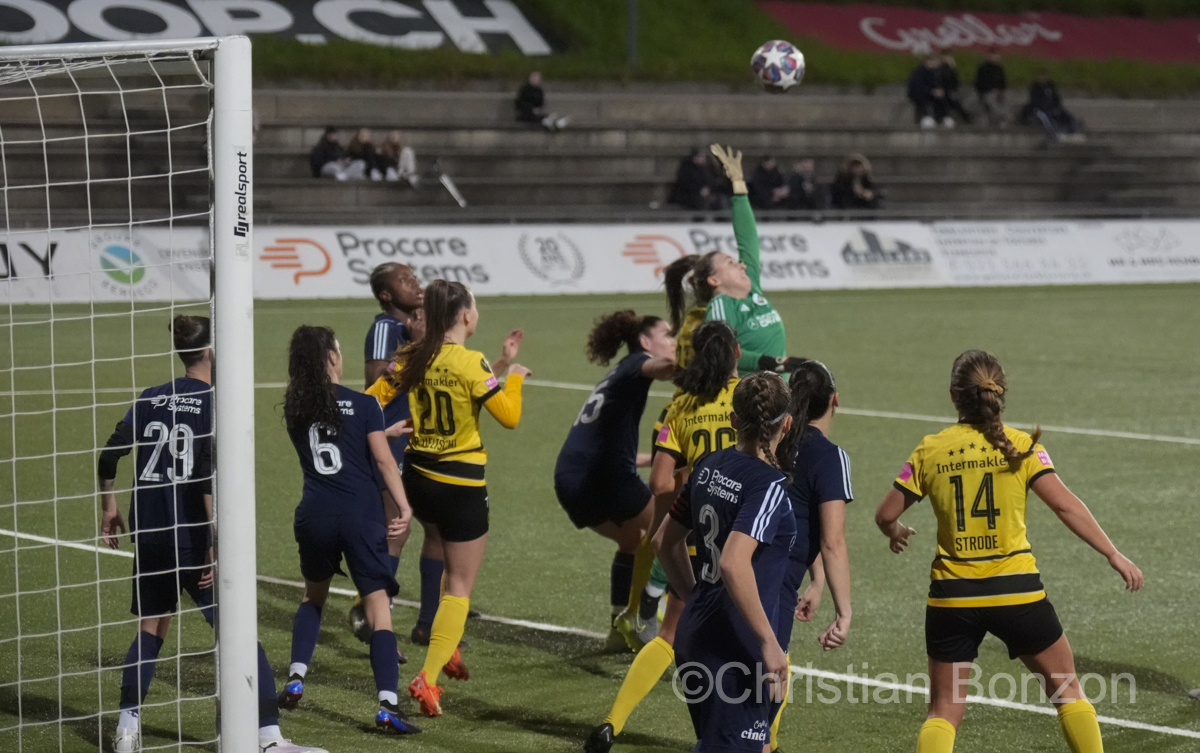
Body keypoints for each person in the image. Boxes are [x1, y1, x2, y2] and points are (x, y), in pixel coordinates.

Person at [874, 350, 1144, 753]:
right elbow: (1065, 504)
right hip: (1018, 594)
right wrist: (1113, 554)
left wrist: (894, 530)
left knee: (943, 714)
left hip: (953, 598)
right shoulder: (1022, 446)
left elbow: (885, 513)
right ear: (1000, 394)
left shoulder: (929, 450)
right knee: (1068, 692)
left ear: (954, 396)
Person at [97, 315, 326, 753]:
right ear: (211, 351)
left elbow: (109, 455)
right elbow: (205, 478)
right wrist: (214, 546)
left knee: (151, 627)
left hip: (150, 535)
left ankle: (127, 731)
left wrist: (109, 507)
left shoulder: (150, 398)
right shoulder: (216, 403)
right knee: (240, 634)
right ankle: (269, 738)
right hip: (196, 541)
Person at [584, 320, 740, 753]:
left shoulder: (680, 407)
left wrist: (696, 485)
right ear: (736, 354)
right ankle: (767, 741)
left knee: (669, 635)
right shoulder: (748, 397)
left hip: (695, 539)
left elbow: (659, 482)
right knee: (766, 639)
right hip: (745, 539)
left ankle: (611, 724)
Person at [388, 280, 530, 717]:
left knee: (445, 558)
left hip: (417, 477)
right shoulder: (472, 362)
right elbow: (508, 417)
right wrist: (514, 378)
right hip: (460, 482)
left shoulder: (412, 355)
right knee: (461, 586)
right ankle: (426, 679)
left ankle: (444, 647)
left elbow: (375, 398)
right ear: (466, 316)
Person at [277, 325, 421, 735]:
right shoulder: (364, 403)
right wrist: (405, 505)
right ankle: (387, 706)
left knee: (313, 598)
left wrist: (378, 431)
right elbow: (381, 462)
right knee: (377, 607)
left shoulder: (295, 407)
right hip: (360, 515)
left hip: (315, 514)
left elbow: (333, 444)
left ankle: (296, 678)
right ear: (332, 358)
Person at [654, 372, 796, 753]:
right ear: (787, 423)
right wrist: (768, 642)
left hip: (696, 634)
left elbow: (663, 542)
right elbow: (734, 563)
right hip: (736, 648)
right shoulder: (768, 485)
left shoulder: (708, 465)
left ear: (733, 421)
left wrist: (697, 596)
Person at [553, 311, 677, 651]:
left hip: (570, 478)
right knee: (676, 532)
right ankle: (651, 620)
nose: (674, 342)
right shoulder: (639, 362)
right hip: (604, 480)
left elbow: (601, 438)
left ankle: (617, 632)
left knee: (632, 541)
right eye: (668, 335)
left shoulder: (617, 373)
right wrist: (708, 365)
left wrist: (652, 458)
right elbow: (663, 368)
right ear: (645, 342)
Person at [767, 361, 853, 749]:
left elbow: (794, 514)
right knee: (765, 681)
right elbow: (833, 539)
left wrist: (816, 579)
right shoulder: (830, 457)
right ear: (835, 400)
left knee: (761, 675)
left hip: (740, 571)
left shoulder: (774, 441)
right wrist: (844, 611)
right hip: (774, 586)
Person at [345, 262, 426, 644]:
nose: (416, 283)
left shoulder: (411, 328)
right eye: (406, 280)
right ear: (386, 295)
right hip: (388, 439)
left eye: (415, 276)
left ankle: (379, 604)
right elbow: (376, 378)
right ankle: (374, 609)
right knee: (394, 527)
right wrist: (415, 344)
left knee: (403, 529)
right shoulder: (386, 327)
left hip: (412, 439)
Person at [703, 144, 808, 376]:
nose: (741, 265)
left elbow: (748, 241)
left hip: (778, 395)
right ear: (714, 280)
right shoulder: (721, 305)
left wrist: (739, 189)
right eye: (730, 264)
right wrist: (774, 363)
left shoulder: (753, 291)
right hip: (750, 403)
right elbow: (723, 353)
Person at [1023, 70, 1082, 142]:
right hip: (1040, 110)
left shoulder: (1051, 88)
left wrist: (1056, 107)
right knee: (1045, 119)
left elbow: (1056, 99)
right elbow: (1035, 102)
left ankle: (1073, 132)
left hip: (1052, 108)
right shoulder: (1035, 89)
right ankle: (1054, 134)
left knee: (1067, 116)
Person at [908, 53, 951, 128]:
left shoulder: (940, 72)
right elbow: (917, 86)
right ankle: (925, 117)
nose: (935, 64)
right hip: (920, 94)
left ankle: (942, 117)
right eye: (933, 61)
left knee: (944, 99)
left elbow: (946, 83)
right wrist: (932, 91)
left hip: (935, 94)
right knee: (924, 100)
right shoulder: (919, 72)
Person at [974, 48, 1008, 126]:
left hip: (998, 92)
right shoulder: (983, 68)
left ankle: (1003, 117)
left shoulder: (999, 69)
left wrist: (1001, 90)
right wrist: (990, 90)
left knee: (1004, 100)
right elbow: (979, 83)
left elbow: (1003, 82)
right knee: (991, 99)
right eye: (994, 56)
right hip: (986, 92)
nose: (996, 58)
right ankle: (1003, 116)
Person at [939, 49, 973, 125]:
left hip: (951, 91)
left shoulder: (951, 69)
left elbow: (955, 81)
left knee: (955, 100)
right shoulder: (939, 68)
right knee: (949, 100)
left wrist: (952, 68)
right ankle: (946, 118)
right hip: (943, 91)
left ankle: (966, 117)